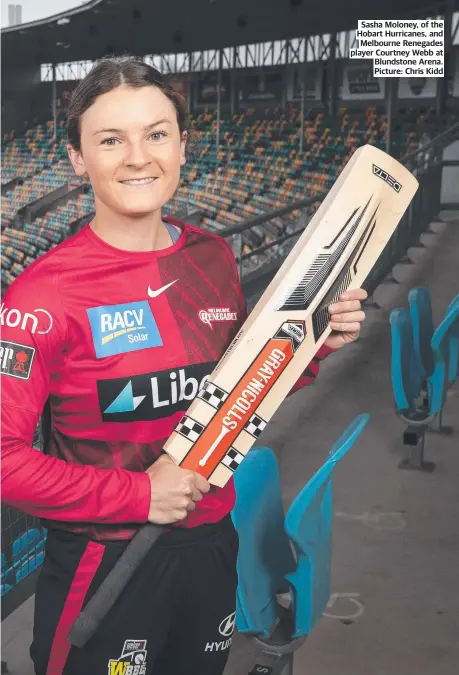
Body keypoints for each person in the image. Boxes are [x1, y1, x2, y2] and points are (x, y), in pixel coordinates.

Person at [0, 56, 367, 675]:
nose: (138, 156)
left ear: (182, 146)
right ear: (76, 158)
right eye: (111, 139)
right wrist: (139, 493)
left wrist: (318, 342)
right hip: (105, 562)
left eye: (157, 133)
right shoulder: (41, 297)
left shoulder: (212, 257)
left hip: (210, 546)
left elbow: (238, 396)